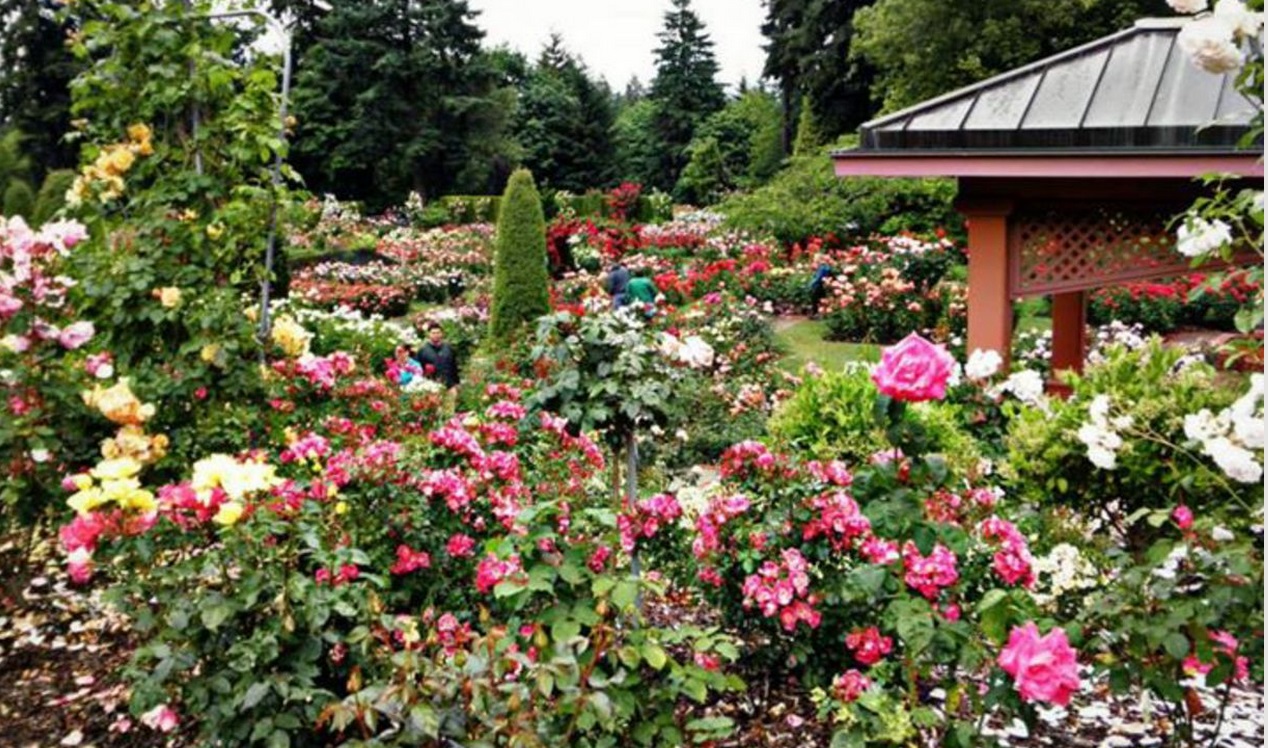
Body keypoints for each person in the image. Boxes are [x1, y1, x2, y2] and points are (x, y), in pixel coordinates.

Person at [415, 324, 459, 390]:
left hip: (450, 383)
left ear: (442, 334)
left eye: (438, 333)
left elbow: (454, 365)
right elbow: (418, 369)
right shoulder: (423, 350)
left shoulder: (448, 347)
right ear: (429, 334)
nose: (436, 335)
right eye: (433, 333)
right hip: (432, 386)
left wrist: (457, 382)